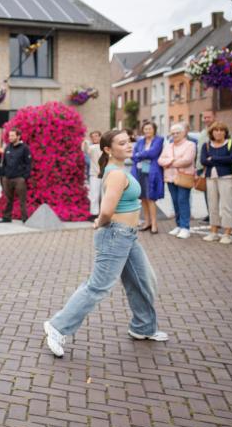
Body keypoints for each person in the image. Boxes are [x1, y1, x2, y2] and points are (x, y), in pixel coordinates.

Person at [43, 129, 168, 358]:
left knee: (143, 280)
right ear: (108, 149)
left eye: (129, 141)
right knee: (98, 287)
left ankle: (143, 327)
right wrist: (99, 222)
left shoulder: (117, 169)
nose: (129, 145)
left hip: (128, 236)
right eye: (122, 143)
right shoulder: (117, 174)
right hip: (115, 235)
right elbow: (107, 210)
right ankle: (57, 327)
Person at [200, 122, 232, 245]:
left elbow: (231, 159)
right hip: (210, 178)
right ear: (211, 132)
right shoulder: (206, 145)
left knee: (226, 206)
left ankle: (227, 233)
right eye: (216, 130)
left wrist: (213, 159)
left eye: (222, 130)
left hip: (226, 178)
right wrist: (219, 160)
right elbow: (203, 161)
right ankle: (214, 232)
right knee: (212, 205)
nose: (219, 132)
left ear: (225, 132)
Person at [158, 123, 196, 239]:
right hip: (170, 178)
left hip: (184, 177)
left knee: (183, 201)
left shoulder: (190, 145)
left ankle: (185, 227)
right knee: (175, 201)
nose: (175, 135)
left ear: (183, 133)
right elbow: (160, 160)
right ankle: (179, 225)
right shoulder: (168, 146)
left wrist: (169, 162)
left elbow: (187, 161)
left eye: (177, 132)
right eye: (173, 133)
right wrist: (174, 160)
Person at [131, 122, 164, 234]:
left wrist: (139, 155)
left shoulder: (159, 140)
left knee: (151, 198)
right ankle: (147, 222)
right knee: (143, 198)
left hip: (152, 172)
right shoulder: (140, 141)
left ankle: (154, 224)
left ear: (154, 130)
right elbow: (133, 155)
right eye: (145, 129)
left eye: (149, 129)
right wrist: (140, 155)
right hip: (139, 171)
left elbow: (153, 153)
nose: (147, 131)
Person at [0, 129, 32, 223]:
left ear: (18, 136)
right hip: (7, 178)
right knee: (8, 199)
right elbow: (4, 162)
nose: (10, 138)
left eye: (12, 136)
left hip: (19, 179)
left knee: (22, 200)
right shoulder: (8, 147)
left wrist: (24, 177)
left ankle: (25, 219)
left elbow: (28, 163)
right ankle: (7, 217)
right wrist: (4, 175)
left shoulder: (24, 148)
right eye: (9, 136)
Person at [196, 111, 215, 222]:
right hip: (200, 166)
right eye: (205, 117)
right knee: (206, 192)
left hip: (209, 166)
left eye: (209, 117)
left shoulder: (217, 130)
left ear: (214, 117)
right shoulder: (203, 132)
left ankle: (214, 215)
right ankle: (210, 213)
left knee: (212, 193)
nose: (206, 119)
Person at [83, 131, 102, 221]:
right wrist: (85, 142)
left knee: (104, 195)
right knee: (94, 195)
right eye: (93, 136)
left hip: (105, 174)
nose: (95, 138)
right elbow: (85, 150)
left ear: (100, 137)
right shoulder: (92, 147)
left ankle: (104, 214)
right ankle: (94, 214)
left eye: (96, 136)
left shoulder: (105, 147)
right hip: (94, 174)